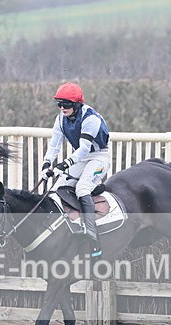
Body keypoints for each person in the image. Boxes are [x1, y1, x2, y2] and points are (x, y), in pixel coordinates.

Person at [41, 82, 111, 258]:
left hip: (99, 157)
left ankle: (93, 237)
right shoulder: (60, 119)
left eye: (67, 104)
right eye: (60, 104)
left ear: (77, 104)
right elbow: (55, 145)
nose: (62, 108)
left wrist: (63, 165)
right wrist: (46, 163)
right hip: (81, 158)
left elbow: (84, 149)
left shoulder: (90, 119)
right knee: (58, 188)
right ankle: (70, 225)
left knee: (82, 189)